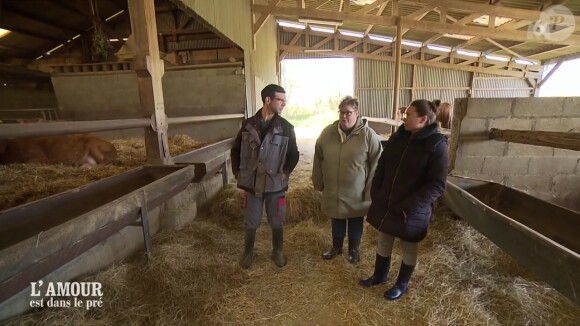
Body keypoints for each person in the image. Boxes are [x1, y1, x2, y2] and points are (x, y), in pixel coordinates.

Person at [359, 99, 448, 301]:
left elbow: (437, 185)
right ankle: (379, 276)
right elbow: (383, 163)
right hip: (387, 201)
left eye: (408, 115)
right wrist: (377, 190)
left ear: (423, 119)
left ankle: (402, 284)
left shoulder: (436, 144)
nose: (403, 117)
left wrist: (409, 206)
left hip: (412, 208)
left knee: (408, 246)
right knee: (384, 240)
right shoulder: (400, 135)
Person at [231, 84, 299, 269]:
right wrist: (237, 172)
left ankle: (277, 251)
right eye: (280, 100)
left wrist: (284, 174)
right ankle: (248, 252)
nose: (284, 104)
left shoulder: (286, 128)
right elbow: (235, 150)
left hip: (275, 185)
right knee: (251, 220)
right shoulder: (247, 125)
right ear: (267, 100)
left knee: (277, 219)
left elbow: (294, 155)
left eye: (285, 100)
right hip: (252, 184)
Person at [312, 96, 382, 264]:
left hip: (356, 191)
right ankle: (336, 247)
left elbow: (377, 164)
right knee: (336, 216)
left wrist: (370, 190)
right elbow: (318, 157)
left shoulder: (367, 135)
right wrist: (318, 181)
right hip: (333, 187)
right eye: (341, 112)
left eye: (348, 113)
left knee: (355, 218)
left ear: (357, 113)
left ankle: (354, 249)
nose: (344, 116)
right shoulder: (328, 133)